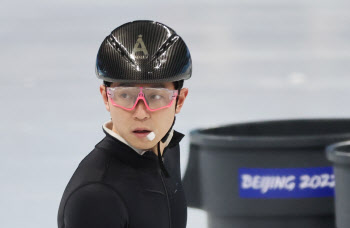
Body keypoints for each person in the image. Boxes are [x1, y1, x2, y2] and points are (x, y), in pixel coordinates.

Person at [57, 20, 192, 228]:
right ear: (106, 98)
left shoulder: (166, 149)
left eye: (156, 96)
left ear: (179, 101)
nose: (140, 113)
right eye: (125, 95)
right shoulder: (96, 197)